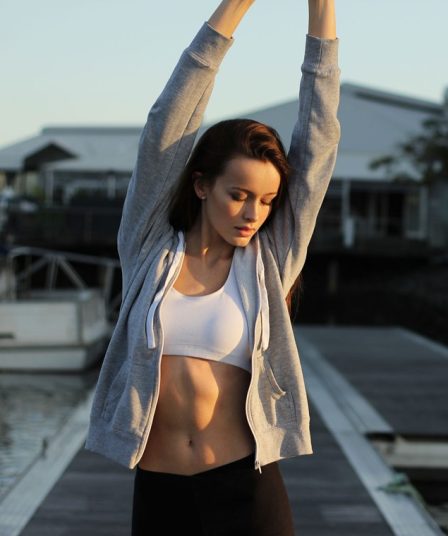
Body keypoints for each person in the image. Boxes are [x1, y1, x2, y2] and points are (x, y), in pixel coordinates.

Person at [83, 0, 340, 534]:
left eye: (266, 200)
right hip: (160, 491)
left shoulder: (269, 262)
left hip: (245, 487)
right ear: (201, 186)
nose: (253, 214)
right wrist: (236, 6)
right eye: (238, 195)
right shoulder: (150, 249)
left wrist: (321, 9)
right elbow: (166, 124)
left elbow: (318, 142)